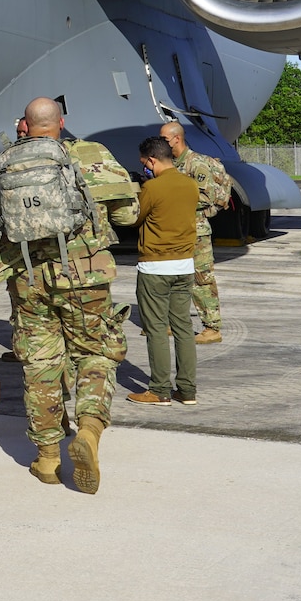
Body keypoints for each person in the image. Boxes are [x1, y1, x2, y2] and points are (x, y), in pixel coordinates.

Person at [0, 97, 138, 494]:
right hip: (85, 277)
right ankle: (90, 430)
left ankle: (46, 458)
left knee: (41, 363)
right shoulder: (89, 154)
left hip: (28, 281)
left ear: (24, 126)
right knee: (96, 352)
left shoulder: (3, 164)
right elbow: (128, 215)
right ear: (61, 122)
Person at [128, 135, 200, 406]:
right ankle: (187, 390)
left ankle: (159, 389)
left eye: (144, 163)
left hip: (155, 266)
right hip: (184, 265)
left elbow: (136, 219)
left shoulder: (152, 189)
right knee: (183, 328)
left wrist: (141, 189)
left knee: (156, 329)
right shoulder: (191, 185)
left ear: (152, 160)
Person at [160, 121, 231, 344]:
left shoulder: (196, 164)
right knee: (173, 276)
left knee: (201, 279)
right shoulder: (170, 164)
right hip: (175, 229)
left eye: (163, 139)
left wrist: (171, 198)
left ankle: (212, 327)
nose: (160, 143)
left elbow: (206, 197)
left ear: (176, 139)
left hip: (195, 230)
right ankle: (174, 322)